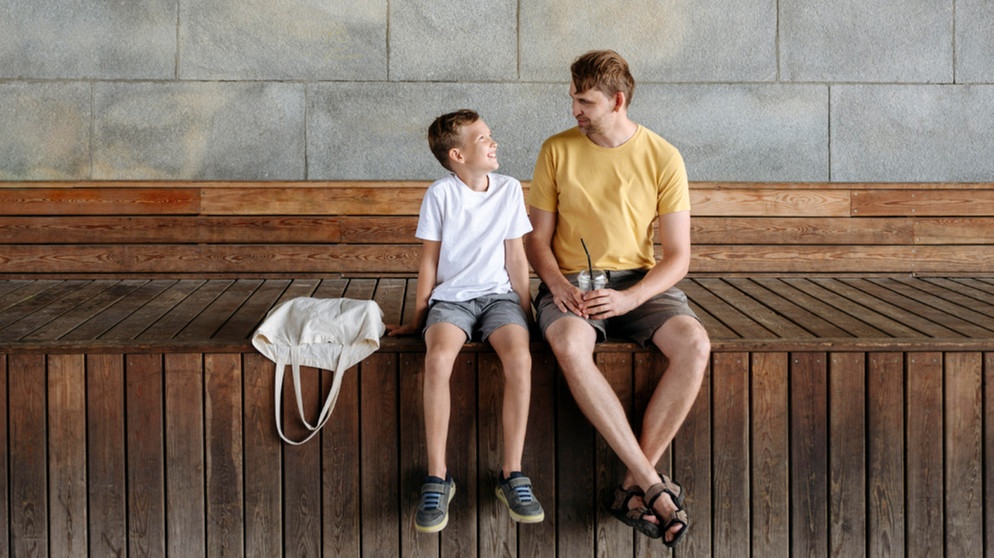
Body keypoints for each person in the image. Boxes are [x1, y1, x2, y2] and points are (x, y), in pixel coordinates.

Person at [524, 50, 710, 548]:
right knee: (566, 343)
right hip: (572, 282)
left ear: (617, 100)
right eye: (573, 100)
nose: (575, 111)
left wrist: (629, 301)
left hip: (640, 285)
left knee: (694, 343)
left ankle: (633, 485)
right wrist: (559, 286)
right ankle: (652, 485)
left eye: (585, 102)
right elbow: (536, 240)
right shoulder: (556, 150)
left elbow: (677, 257)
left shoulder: (663, 156)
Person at [387, 109, 544, 533]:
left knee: (520, 359)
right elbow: (430, 262)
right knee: (437, 360)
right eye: (483, 139)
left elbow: (516, 257)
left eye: (490, 135)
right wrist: (416, 320)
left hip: (499, 300)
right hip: (452, 301)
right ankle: (437, 477)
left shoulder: (510, 189)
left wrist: (528, 316)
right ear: (457, 154)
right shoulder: (440, 195)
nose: (493, 143)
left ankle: (512, 473)